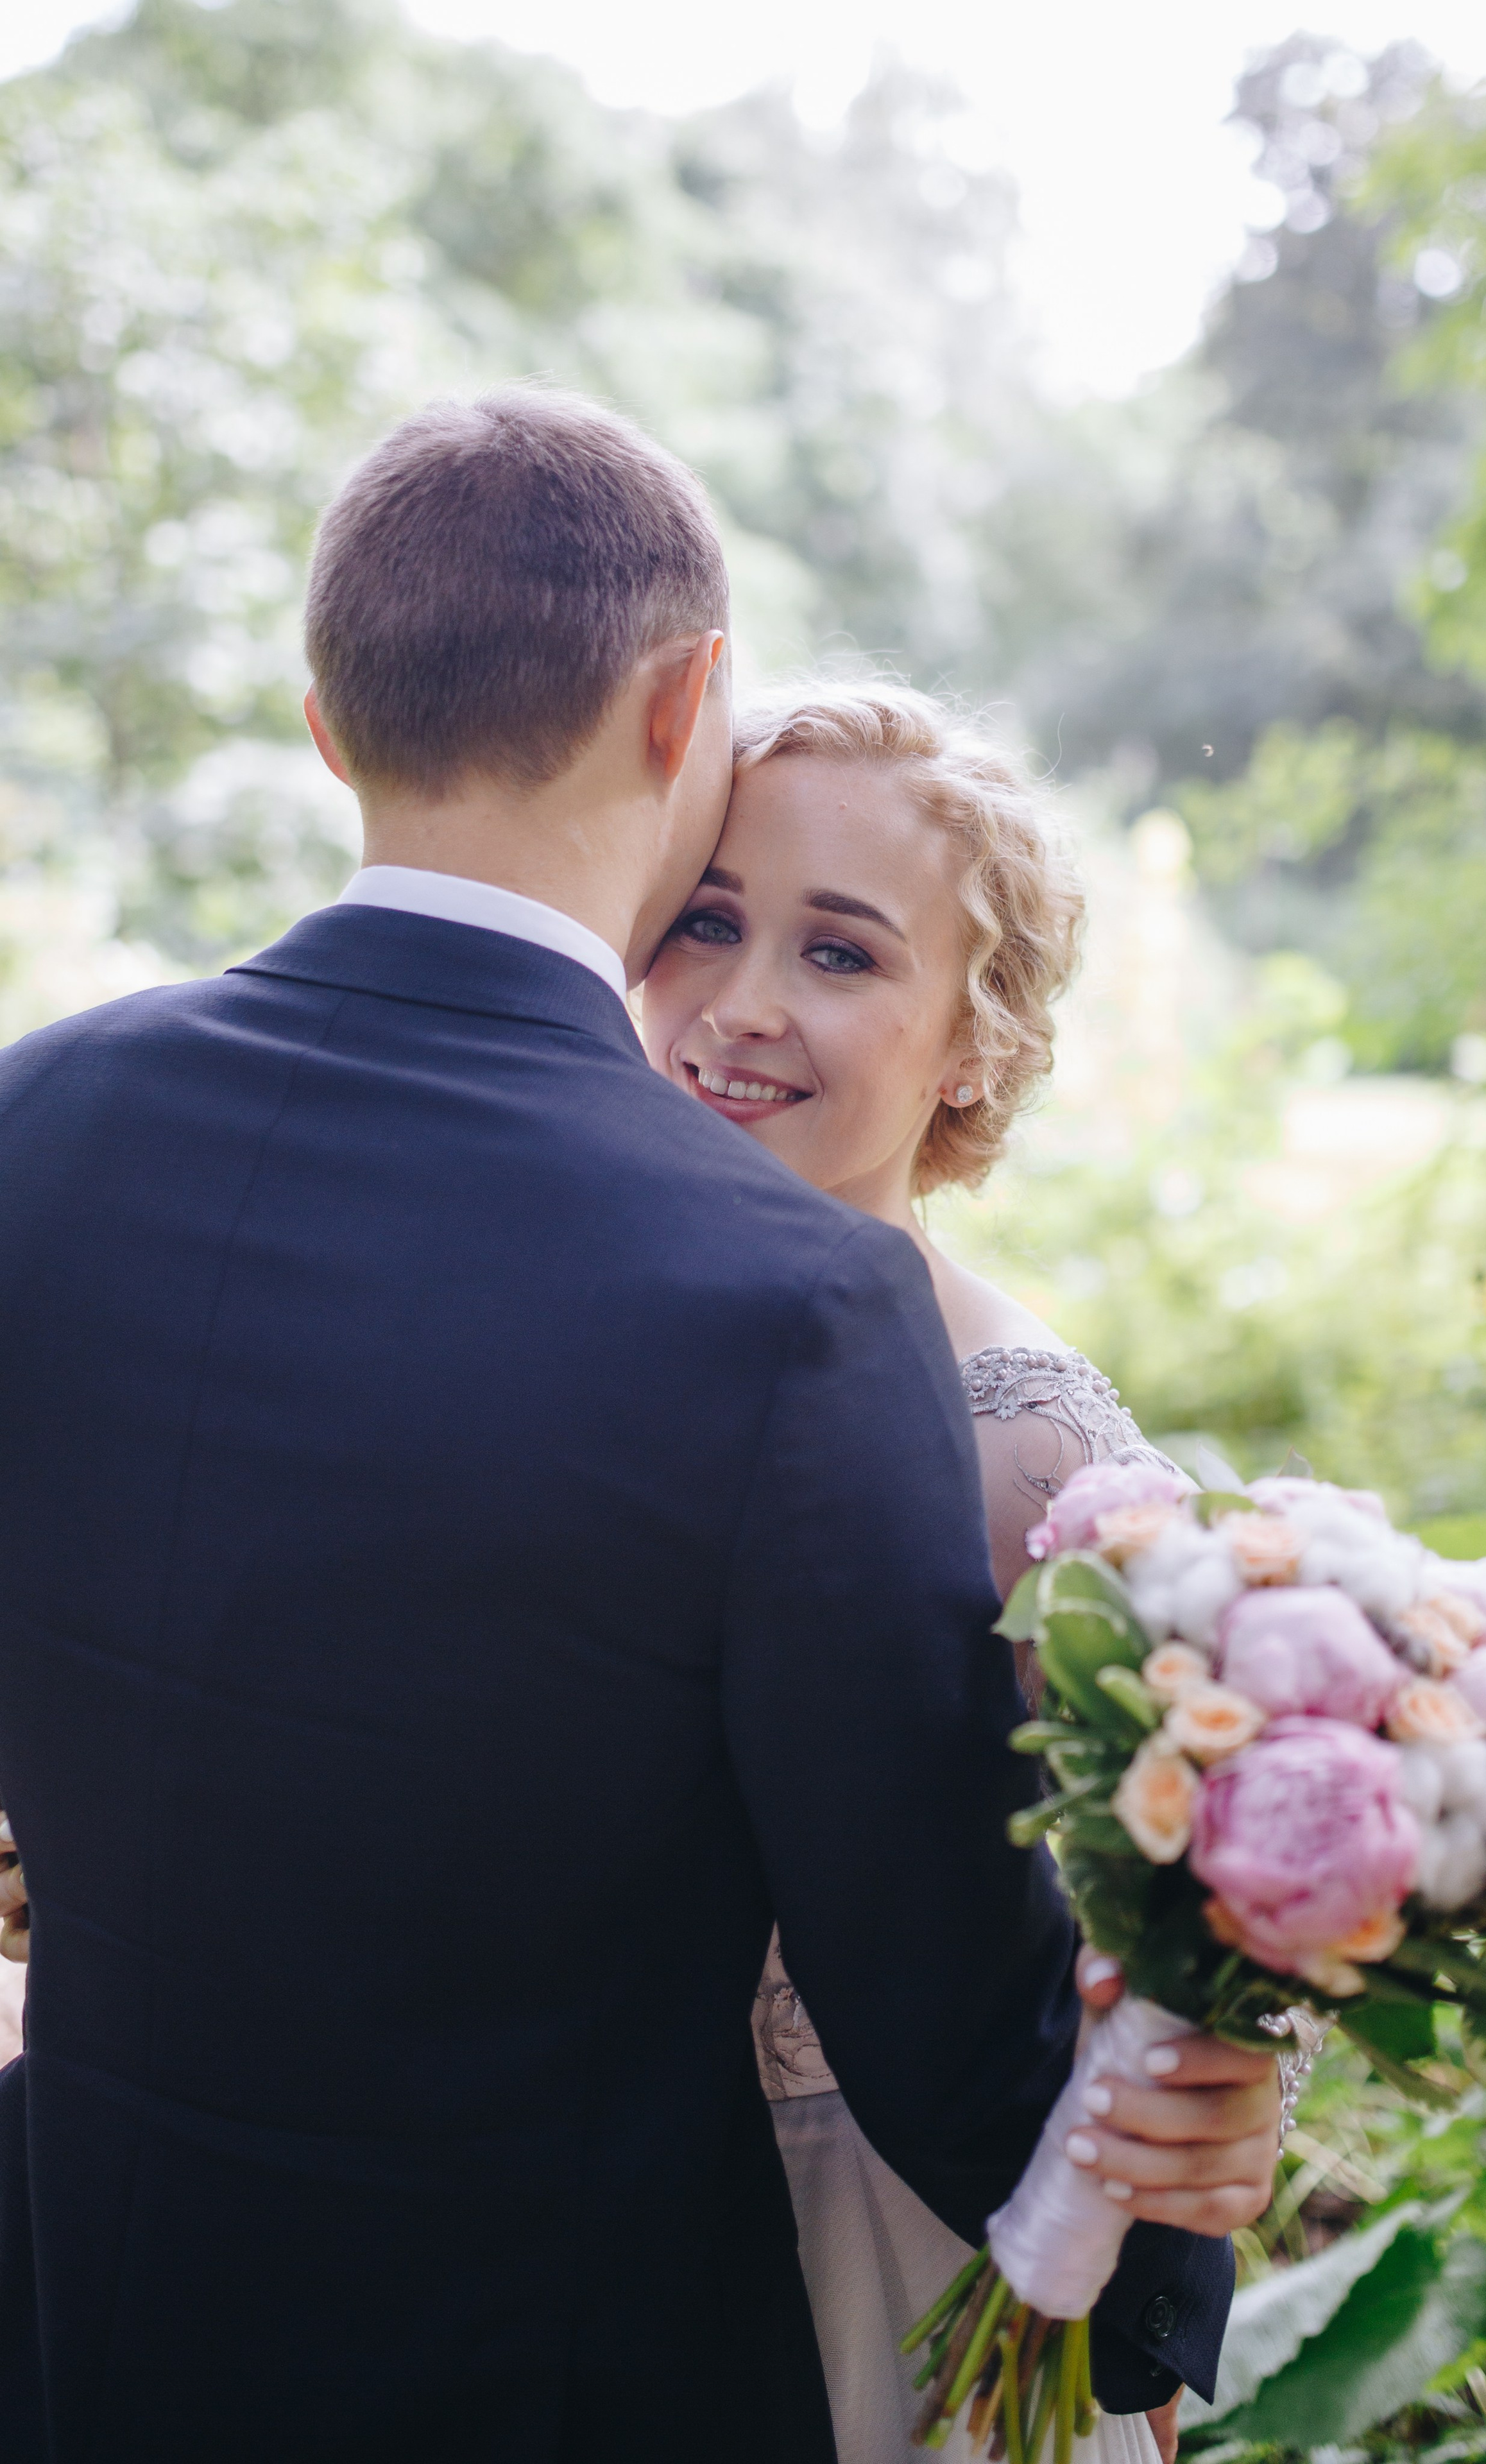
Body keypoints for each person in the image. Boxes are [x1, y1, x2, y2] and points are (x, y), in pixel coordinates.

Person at [0, 390, 1265, 2464]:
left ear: (329, 724)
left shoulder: (32, 1122)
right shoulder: (789, 1308)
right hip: (550, 2377)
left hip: (92, 2308)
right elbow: (936, 2007)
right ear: (692, 709)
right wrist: (1185, 2192)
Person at [638, 685, 1281, 2462]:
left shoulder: (1025, 1452)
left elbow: (1168, 1945)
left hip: (892, 2248)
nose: (745, 1003)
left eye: (840, 956)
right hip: (590, 2225)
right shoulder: (590, 1338)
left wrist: (1209, 2118)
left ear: (974, 1043)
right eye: (707, 920)